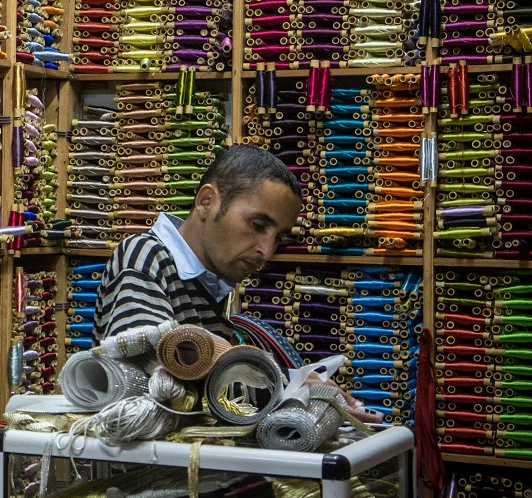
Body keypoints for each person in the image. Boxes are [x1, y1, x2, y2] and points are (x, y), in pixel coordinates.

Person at [95, 143, 383, 424]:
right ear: (207, 201)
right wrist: (284, 383)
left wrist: (296, 382)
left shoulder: (210, 285)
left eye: (279, 238)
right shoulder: (144, 255)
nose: (267, 251)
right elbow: (156, 384)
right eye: (257, 226)